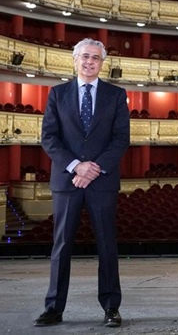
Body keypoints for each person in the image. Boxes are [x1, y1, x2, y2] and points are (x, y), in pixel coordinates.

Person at [34, 38, 130, 328]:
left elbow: (120, 140)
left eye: (96, 58)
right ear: (74, 60)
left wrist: (93, 168)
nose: (90, 62)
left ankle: (111, 307)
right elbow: (49, 137)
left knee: (107, 246)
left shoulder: (116, 95)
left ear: (102, 63)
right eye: (85, 57)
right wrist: (77, 166)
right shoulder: (57, 94)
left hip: (101, 181)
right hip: (67, 181)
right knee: (61, 246)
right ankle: (53, 308)